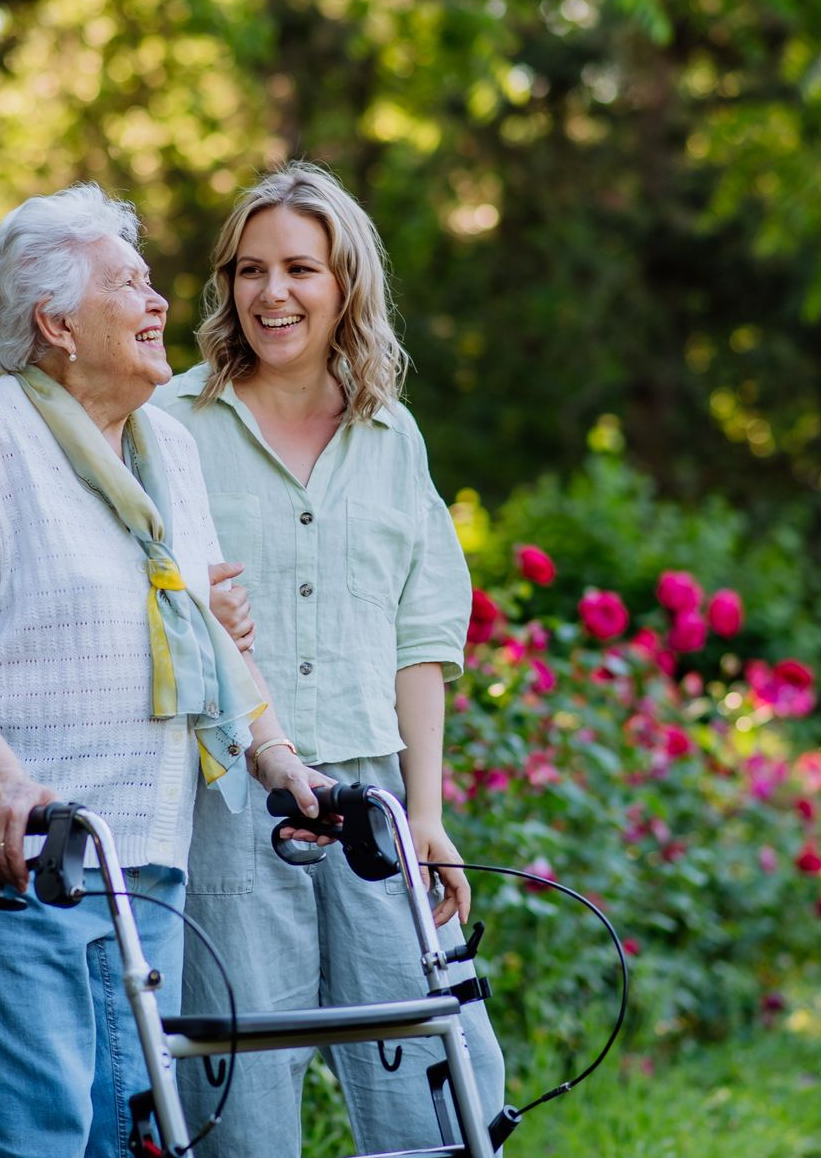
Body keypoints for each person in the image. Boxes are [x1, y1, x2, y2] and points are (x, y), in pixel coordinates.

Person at [0, 183, 310, 1158]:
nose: (161, 303)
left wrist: (279, 757)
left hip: (142, 853)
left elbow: (203, 628)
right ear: (57, 322)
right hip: (11, 856)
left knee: (131, 1133)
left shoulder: (168, 446)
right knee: (38, 1134)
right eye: (131, 284)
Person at [152, 162, 506, 1157]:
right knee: (237, 1082)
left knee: (438, 1077)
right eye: (250, 269)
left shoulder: (392, 437)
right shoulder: (170, 425)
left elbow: (423, 636)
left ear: (346, 282)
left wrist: (425, 812)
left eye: (300, 268)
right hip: (229, 796)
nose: (273, 293)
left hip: (372, 798)